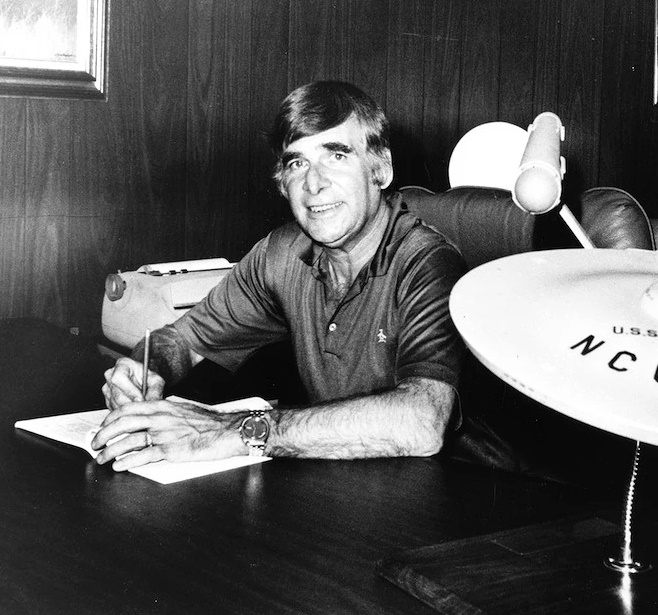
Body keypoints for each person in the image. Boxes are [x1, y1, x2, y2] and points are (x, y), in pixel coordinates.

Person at [93, 81, 466, 471]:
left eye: (336, 156)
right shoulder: (282, 253)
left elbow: (423, 421)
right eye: (297, 163)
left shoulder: (428, 262)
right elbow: (181, 340)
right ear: (283, 183)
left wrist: (232, 430)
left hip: (456, 495)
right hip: (339, 482)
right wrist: (145, 370)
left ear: (381, 168)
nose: (314, 183)